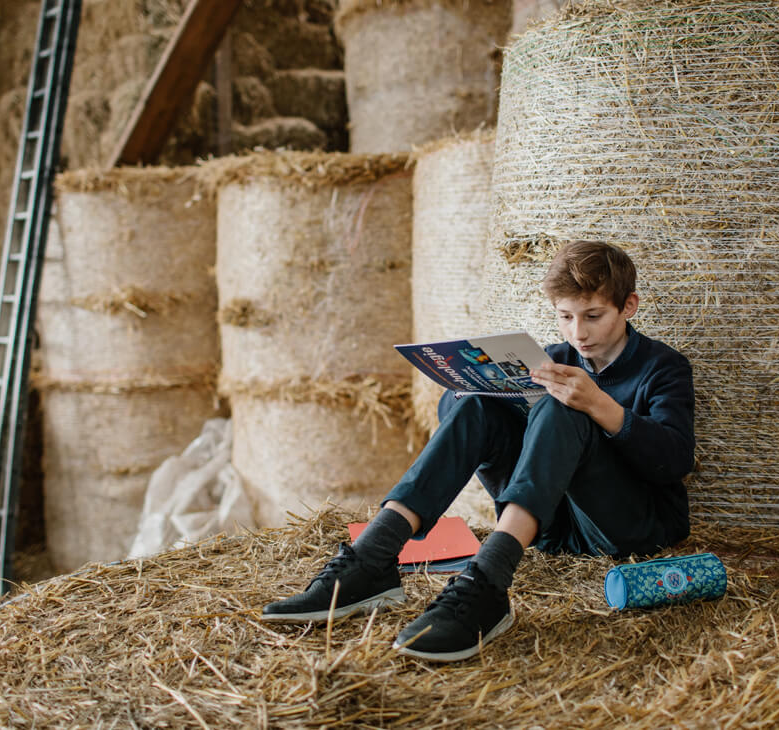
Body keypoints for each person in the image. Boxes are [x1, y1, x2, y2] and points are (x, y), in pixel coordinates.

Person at [261, 240, 696, 662]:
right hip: (554, 528)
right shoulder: (555, 357)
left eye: (593, 316)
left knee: (564, 411)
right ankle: (372, 558)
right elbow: (477, 423)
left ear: (629, 306)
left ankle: (487, 583)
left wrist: (599, 405)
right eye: (565, 317)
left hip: (628, 531)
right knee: (474, 404)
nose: (577, 332)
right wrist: (469, 394)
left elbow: (674, 460)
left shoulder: (663, 366)